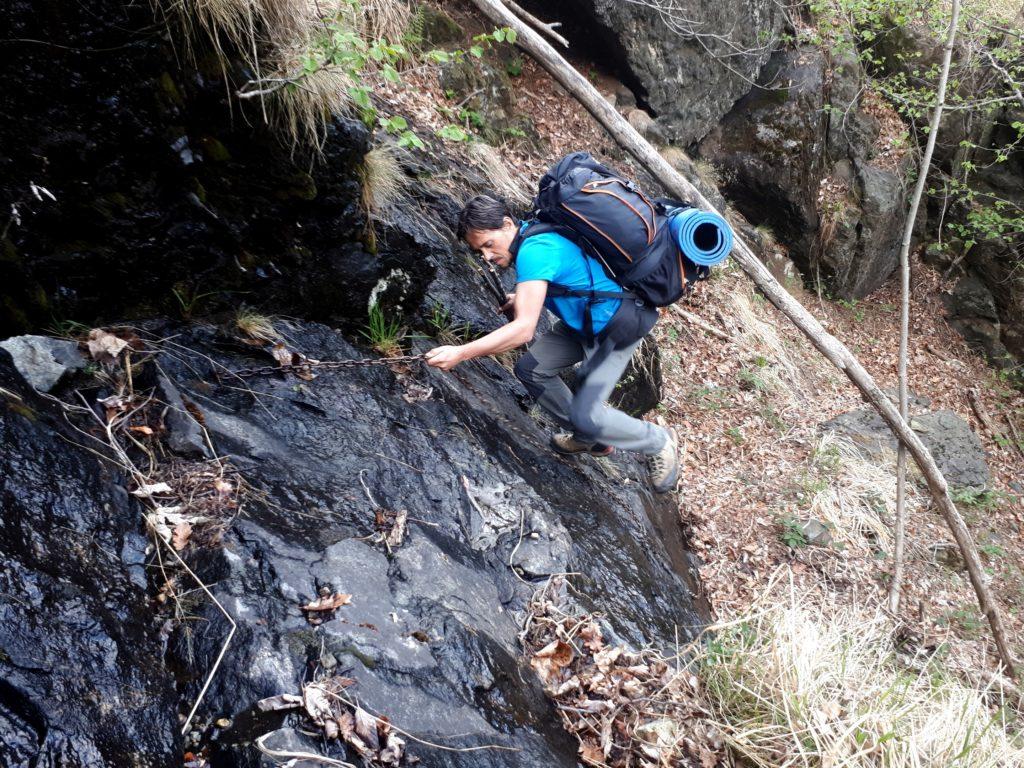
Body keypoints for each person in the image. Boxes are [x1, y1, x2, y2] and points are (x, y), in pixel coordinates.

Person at [425, 194, 679, 493]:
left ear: (507, 224)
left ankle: (658, 441)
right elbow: (565, 280)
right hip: (584, 324)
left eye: (488, 244)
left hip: (616, 327)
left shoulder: (535, 249)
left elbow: (523, 331)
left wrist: (461, 352)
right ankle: (588, 438)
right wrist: (520, 298)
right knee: (532, 368)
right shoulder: (534, 238)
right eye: (478, 251)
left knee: (589, 412)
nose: (486, 256)